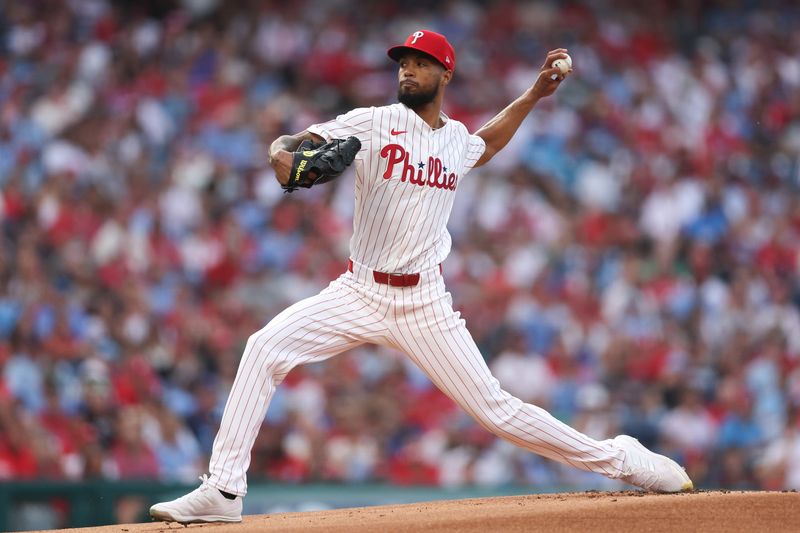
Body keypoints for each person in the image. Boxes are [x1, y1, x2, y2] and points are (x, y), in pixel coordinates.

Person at [150, 29, 692, 524]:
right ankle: (223, 492)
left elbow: (488, 143)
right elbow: (289, 146)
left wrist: (532, 96)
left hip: (425, 303)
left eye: (421, 62)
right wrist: (281, 158)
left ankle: (623, 459)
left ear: (446, 74)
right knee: (264, 347)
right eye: (403, 62)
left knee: (499, 413)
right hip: (359, 290)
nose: (408, 70)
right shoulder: (373, 121)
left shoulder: (455, 139)